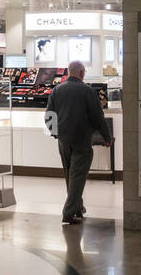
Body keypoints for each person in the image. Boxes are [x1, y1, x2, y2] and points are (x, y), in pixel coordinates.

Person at [45, 60, 111, 225]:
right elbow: (98, 117)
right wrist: (107, 137)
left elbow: (49, 115)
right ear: (81, 73)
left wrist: (55, 133)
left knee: (70, 175)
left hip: (63, 140)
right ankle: (68, 213)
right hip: (82, 139)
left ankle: (77, 207)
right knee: (78, 176)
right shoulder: (87, 91)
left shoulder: (56, 90)